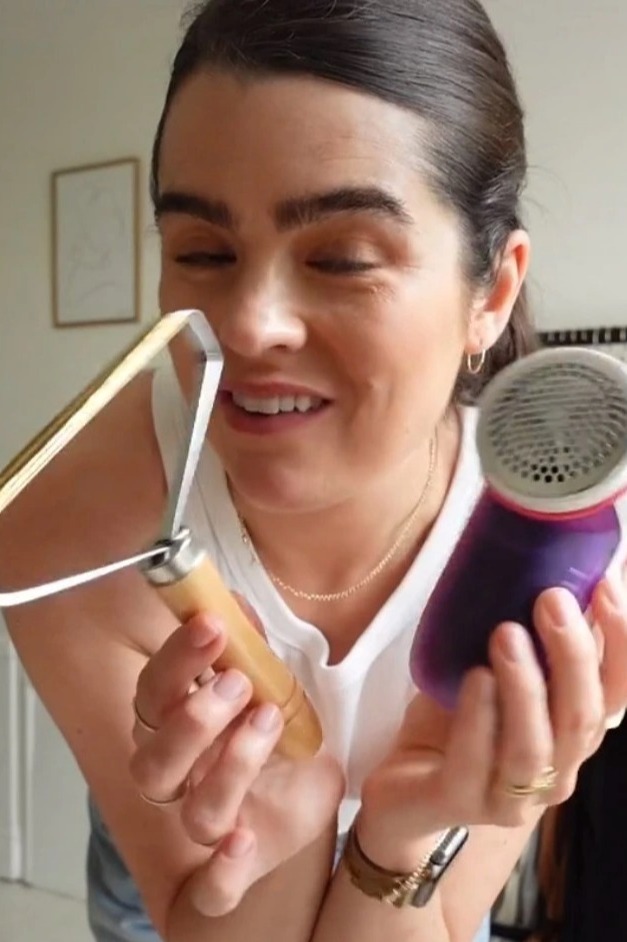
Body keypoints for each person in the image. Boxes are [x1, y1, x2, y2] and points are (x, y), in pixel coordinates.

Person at [2, 2, 627, 941]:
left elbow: (437, 915)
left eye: (341, 258)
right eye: (202, 253)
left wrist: (400, 835)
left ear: (491, 292)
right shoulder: (65, 526)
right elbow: (196, 916)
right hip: (192, 871)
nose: (249, 326)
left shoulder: (571, 556)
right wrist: (283, 835)